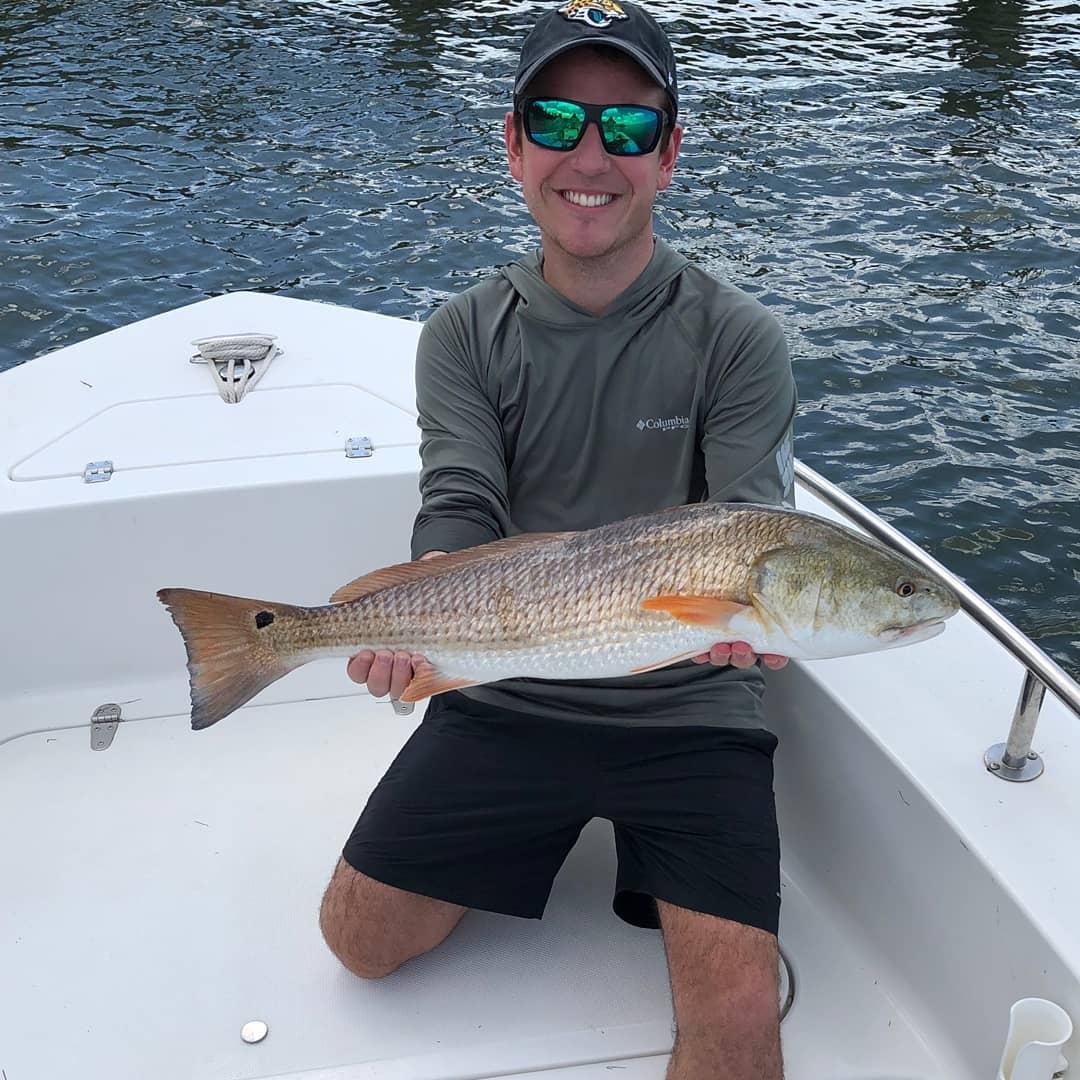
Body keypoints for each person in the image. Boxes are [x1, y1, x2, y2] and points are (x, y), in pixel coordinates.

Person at [319, 3, 797, 1077]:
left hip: (690, 706)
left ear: (668, 153)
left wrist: (754, 628)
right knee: (360, 941)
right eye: (555, 121)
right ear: (513, 145)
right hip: (510, 686)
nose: (590, 157)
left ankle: (648, 853)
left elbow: (750, 530)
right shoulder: (463, 333)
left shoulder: (739, 337)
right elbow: (460, 502)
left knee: (738, 1032)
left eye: (626, 128)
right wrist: (419, 619)